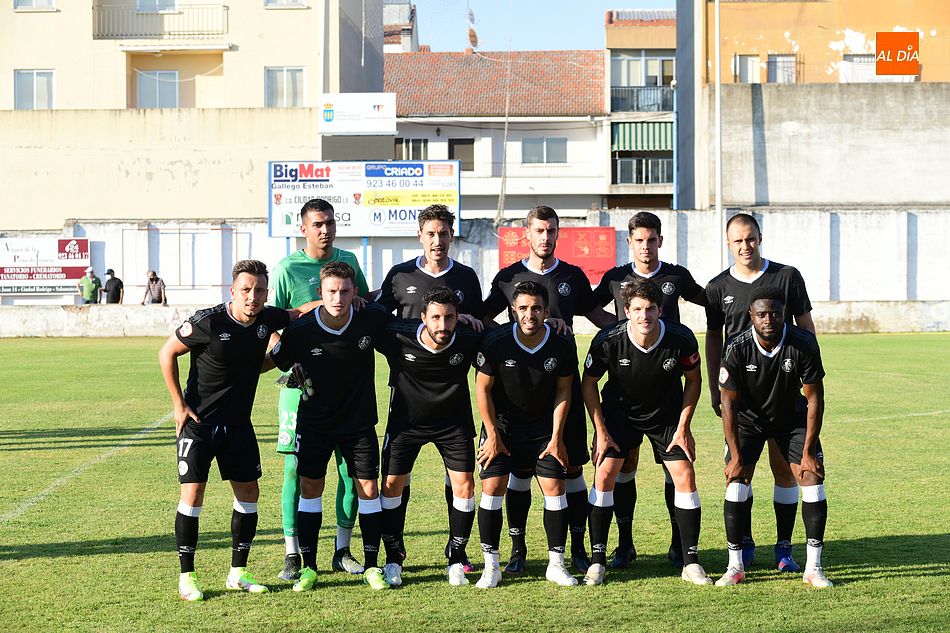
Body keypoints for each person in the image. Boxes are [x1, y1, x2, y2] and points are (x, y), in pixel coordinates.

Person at [158, 260, 293, 602]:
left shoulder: (267, 319)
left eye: (259, 290)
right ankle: (187, 576)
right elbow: (167, 353)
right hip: (199, 425)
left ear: (266, 293)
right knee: (193, 495)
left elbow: (300, 314)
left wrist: (342, 301)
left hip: (238, 425)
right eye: (246, 290)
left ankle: (238, 573)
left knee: (249, 494)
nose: (252, 297)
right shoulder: (209, 321)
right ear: (233, 291)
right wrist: (178, 405)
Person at [482, 205, 602, 573]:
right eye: (539, 230)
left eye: (551, 231)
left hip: (561, 388)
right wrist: (506, 343)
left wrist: (634, 326)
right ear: (527, 234)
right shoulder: (508, 277)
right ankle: (517, 550)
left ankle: (577, 548)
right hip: (518, 393)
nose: (545, 237)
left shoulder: (572, 276)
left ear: (557, 234)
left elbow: (597, 315)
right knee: (519, 472)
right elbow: (484, 317)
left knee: (571, 468)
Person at [591, 211, 707, 569]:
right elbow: (587, 306)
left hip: (665, 391)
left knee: (677, 469)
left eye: (651, 239)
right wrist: (617, 329)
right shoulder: (615, 278)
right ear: (629, 242)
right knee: (622, 465)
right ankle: (623, 545)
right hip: (624, 393)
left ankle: (680, 546)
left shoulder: (676, 276)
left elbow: (710, 300)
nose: (646, 246)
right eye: (639, 240)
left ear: (660, 241)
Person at [268, 261, 393, 591]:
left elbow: (406, 327)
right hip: (315, 424)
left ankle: (371, 566)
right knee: (310, 487)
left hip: (359, 423)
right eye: (332, 291)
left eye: (345, 291)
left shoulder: (371, 318)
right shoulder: (301, 330)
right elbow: (276, 360)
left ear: (355, 293)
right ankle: (309, 567)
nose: (338, 298)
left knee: (369, 490)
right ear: (320, 293)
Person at [704, 213, 816, 573]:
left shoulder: (787, 277)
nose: (745, 246)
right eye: (737, 240)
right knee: (741, 470)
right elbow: (713, 337)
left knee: (784, 470)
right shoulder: (717, 287)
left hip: (783, 393)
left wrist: (807, 372)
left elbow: (805, 327)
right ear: (728, 244)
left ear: (760, 237)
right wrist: (715, 384)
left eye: (750, 238)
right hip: (742, 398)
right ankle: (746, 541)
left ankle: (784, 548)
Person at [377, 203, 484, 573]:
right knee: (395, 479)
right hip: (407, 391)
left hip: (451, 392)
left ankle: (457, 551)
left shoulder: (466, 277)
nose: (437, 240)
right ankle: (395, 550)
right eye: (431, 233)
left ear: (452, 236)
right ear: (420, 236)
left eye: (444, 233)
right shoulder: (400, 275)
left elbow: (480, 326)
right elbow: (377, 319)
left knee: (460, 480)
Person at [270, 198, 371, 581]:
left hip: (344, 389)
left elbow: (363, 305)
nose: (325, 230)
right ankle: (292, 553)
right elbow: (272, 324)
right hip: (299, 387)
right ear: (303, 229)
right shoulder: (287, 268)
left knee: (350, 472)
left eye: (329, 222)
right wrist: (288, 359)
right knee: (295, 470)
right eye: (317, 224)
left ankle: (342, 550)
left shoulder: (349, 262)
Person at [714, 287, 831, 588]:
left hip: (791, 420)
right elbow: (728, 404)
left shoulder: (803, 343)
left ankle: (813, 568)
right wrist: (735, 456)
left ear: (784, 315)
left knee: (811, 479)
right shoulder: (736, 347)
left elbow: (815, 399)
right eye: (762, 314)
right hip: (748, 421)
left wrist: (808, 451)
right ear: (750, 315)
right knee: (736, 482)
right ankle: (735, 566)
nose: (769, 319)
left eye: (775, 313)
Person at [473, 281, 578, 588]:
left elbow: (564, 391)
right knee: (492, 486)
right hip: (502, 429)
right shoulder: (496, 341)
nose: (529, 315)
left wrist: (556, 437)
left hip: (542, 431)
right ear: (512, 311)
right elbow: (482, 389)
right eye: (523, 308)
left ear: (546, 311)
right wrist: (492, 434)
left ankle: (556, 564)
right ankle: (491, 566)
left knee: (555, 487)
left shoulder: (561, 344)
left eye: (536, 308)